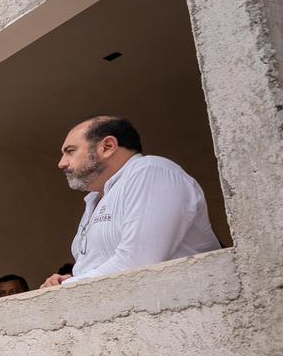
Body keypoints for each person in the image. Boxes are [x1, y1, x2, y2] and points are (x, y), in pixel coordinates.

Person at [41, 116, 220, 288]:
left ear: (108, 146)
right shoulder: (96, 197)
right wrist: (73, 278)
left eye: (70, 151)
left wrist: (67, 287)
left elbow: (138, 263)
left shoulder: (150, 171)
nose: (61, 163)